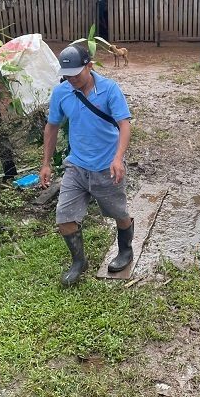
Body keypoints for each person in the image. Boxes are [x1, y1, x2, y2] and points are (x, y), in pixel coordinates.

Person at [40, 44, 133, 287]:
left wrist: (118, 158)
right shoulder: (62, 92)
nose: (71, 80)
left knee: (120, 214)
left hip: (106, 167)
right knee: (64, 218)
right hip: (77, 167)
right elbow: (52, 126)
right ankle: (79, 261)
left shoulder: (110, 90)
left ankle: (125, 250)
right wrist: (46, 163)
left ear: (89, 66)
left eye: (76, 75)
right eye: (66, 76)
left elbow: (124, 124)